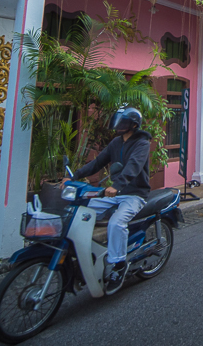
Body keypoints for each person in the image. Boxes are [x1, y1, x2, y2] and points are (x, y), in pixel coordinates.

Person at [64, 106, 151, 289]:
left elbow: (133, 167)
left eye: (123, 122)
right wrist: (74, 177)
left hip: (134, 194)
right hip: (114, 193)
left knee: (116, 223)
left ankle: (119, 265)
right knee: (81, 211)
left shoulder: (142, 143)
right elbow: (97, 163)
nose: (118, 125)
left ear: (133, 125)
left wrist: (117, 186)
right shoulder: (115, 143)